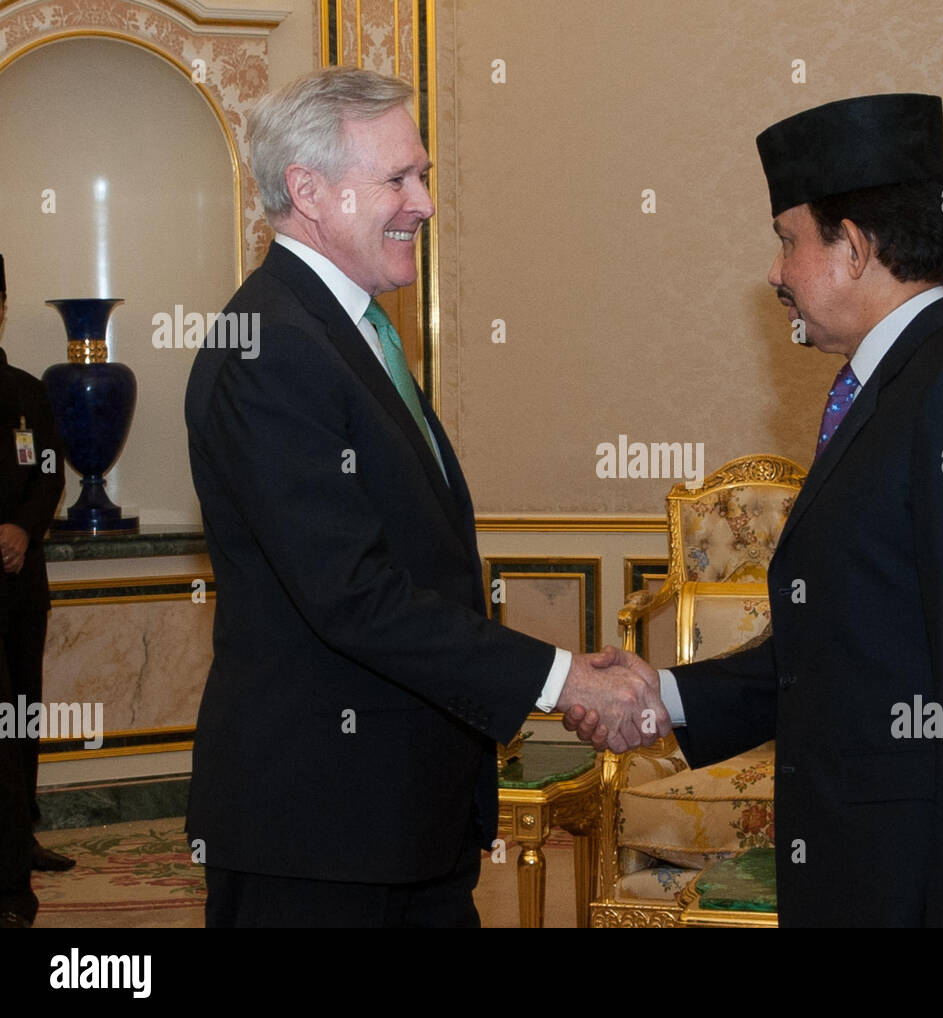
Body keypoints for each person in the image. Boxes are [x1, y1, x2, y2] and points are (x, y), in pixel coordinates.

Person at [569, 95, 943, 927]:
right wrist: (664, 691)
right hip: (864, 870)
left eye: (786, 238)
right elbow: (844, 648)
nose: (776, 272)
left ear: (853, 246)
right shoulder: (894, 385)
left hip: (927, 887)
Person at [184, 69, 668, 928]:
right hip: (321, 838)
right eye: (399, 179)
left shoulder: (346, 331)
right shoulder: (271, 350)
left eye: (425, 175)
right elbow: (354, 598)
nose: (425, 203)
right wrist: (562, 681)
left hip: (397, 823)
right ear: (308, 192)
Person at [0, 254, 71, 927]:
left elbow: (50, 477)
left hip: (21, 589)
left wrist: (22, 529)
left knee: (21, 712)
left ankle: (21, 839)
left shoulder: (28, 391)